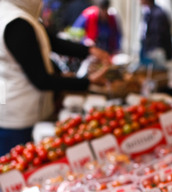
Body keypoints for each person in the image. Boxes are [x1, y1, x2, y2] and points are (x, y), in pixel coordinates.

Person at [0, 0, 111, 156]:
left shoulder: (18, 15)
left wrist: (90, 51)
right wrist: (88, 82)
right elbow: (41, 80)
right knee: (16, 170)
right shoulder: (16, 22)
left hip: (17, 108)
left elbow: (49, 41)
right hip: (19, 117)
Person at [139, 0, 172, 67]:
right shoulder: (148, 13)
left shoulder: (158, 14)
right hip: (151, 52)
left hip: (155, 53)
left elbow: (161, 37)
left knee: (156, 75)